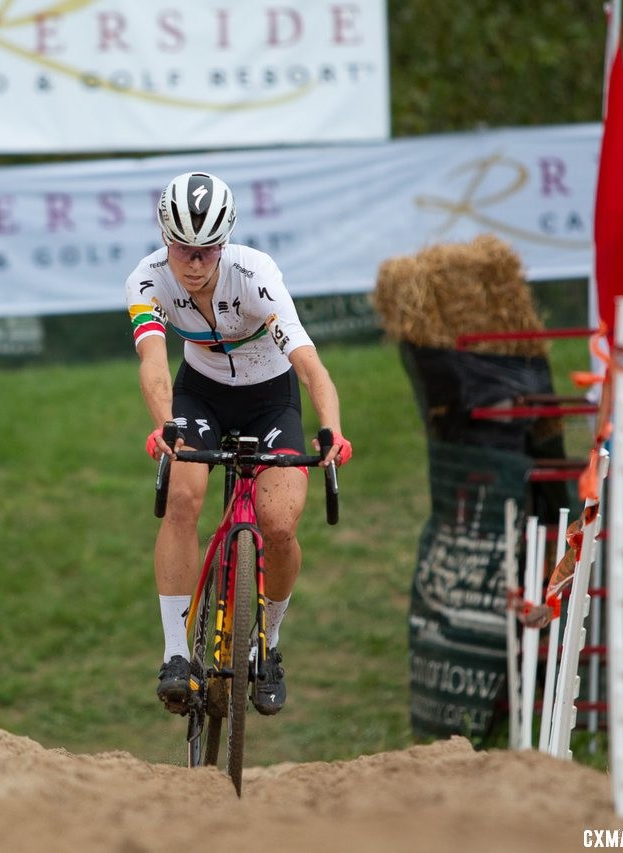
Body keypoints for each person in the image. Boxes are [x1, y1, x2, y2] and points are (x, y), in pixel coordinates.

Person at [125, 171, 353, 717]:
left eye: (207, 250)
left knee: (278, 524)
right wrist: (166, 426)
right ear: (164, 238)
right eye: (183, 248)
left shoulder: (256, 276)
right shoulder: (147, 281)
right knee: (182, 498)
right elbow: (153, 364)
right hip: (199, 395)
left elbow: (309, 364)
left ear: (224, 243)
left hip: (270, 398)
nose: (195, 263)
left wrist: (332, 429)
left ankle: (268, 644)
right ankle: (177, 654)